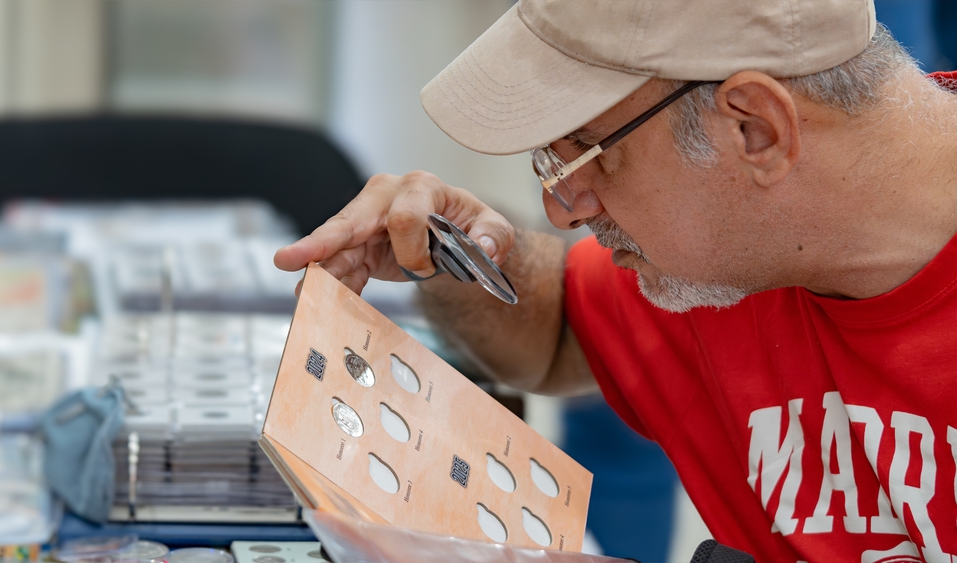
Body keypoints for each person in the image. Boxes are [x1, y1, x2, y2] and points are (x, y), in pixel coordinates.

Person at [275, 1, 957, 561]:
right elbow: (558, 332)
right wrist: (448, 253)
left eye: (587, 156)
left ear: (756, 129)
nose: (560, 207)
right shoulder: (745, 245)